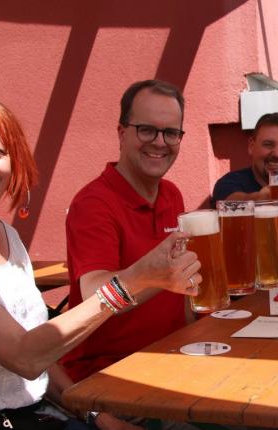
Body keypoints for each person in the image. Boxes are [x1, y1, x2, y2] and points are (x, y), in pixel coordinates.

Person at [0, 98, 200, 430]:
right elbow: (24, 356)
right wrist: (132, 282)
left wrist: (93, 415)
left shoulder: (5, 236)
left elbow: (42, 351)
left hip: (30, 421)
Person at [62, 79, 190, 383]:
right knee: (243, 427)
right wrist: (158, 276)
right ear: (121, 133)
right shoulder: (94, 203)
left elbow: (182, 294)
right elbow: (95, 293)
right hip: (112, 377)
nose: (160, 142)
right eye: (147, 130)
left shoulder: (172, 194)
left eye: (171, 133)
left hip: (174, 362)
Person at [211, 112, 278, 204]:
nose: (276, 154)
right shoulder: (229, 183)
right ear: (251, 146)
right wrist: (260, 198)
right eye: (268, 145)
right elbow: (229, 203)